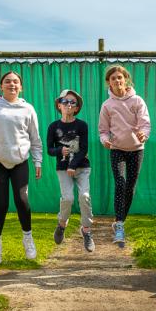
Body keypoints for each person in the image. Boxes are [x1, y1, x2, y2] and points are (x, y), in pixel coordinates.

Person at [0, 71, 43, 265]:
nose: (11, 84)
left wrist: (38, 161)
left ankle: (28, 239)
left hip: (20, 162)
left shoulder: (27, 109)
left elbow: (35, 138)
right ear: (1, 86)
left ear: (20, 87)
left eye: (15, 82)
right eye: (7, 81)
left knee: (22, 201)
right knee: (2, 204)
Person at [98, 65, 151, 248]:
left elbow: (145, 123)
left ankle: (120, 220)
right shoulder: (107, 105)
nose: (117, 81)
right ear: (109, 82)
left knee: (130, 188)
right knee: (120, 183)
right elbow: (103, 130)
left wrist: (144, 133)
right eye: (113, 78)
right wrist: (105, 140)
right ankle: (119, 225)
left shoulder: (137, 101)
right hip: (117, 149)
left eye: (120, 77)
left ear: (125, 79)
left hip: (137, 149)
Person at [46, 89, 95, 252]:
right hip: (62, 168)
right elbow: (49, 149)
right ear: (59, 105)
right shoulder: (53, 126)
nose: (68, 104)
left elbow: (84, 148)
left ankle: (86, 231)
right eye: (65, 101)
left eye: (72, 102)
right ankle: (61, 225)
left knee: (84, 196)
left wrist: (73, 165)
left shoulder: (82, 125)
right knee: (67, 198)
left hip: (82, 167)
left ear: (77, 107)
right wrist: (60, 151)